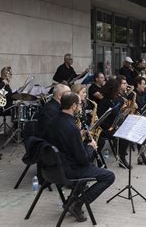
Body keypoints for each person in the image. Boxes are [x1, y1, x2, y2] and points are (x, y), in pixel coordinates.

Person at [44, 92, 115, 222]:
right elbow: (82, 159)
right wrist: (91, 147)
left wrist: (80, 136)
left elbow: (63, 142)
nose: (81, 107)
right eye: (80, 104)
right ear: (73, 106)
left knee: (91, 167)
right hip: (69, 170)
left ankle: (71, 201)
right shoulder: (71, 127)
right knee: (109, 176)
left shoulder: (53, 121)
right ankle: (78, 204)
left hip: (52, 168)